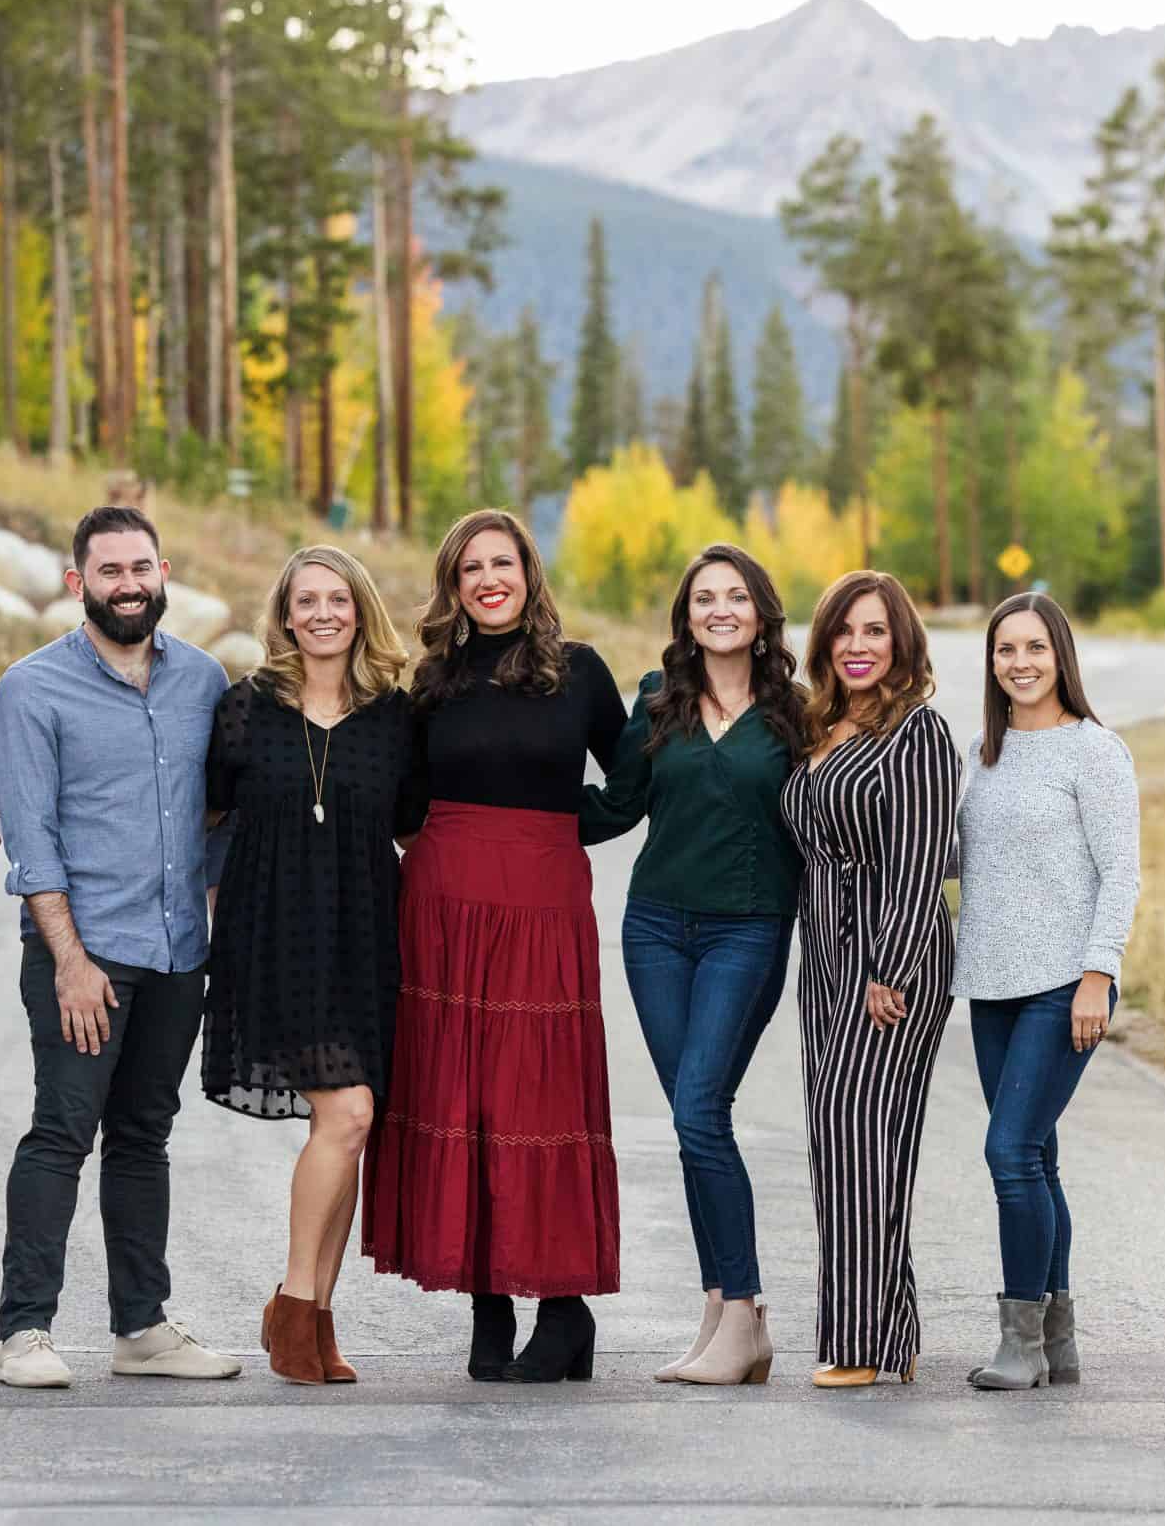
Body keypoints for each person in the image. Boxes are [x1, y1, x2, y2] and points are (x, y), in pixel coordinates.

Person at [363, 508, 627, 1385]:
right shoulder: (431, 681)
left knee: (540, 1098)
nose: (488, 580)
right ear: (453, 584)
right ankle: (488, 1305)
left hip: (544, 903)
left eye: (501, 563)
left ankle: (563, 1309)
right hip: (444, 908)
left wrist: (563, 827)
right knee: (465, 1096)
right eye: (470, 567)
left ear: (528, 573)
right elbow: (402, 799)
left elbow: (633, 778)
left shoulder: (579, 672)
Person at [0, 506, 243, 1388]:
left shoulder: (204, 679)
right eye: (110, 572)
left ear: (163, 573)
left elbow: (220, 816)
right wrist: (69, 960)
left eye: (141, 568)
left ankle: (141, 1328)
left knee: (143, 1136)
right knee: (61, 1132)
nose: (128, 585)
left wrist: (216, 929)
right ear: (78, 583)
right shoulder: (33, 688)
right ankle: (25, 1331)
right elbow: (31, 837)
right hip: (85, 954)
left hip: (177, 952)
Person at [581, 545, 806, 1386]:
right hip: (654, 931)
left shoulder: (795, 714)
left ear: (760, 614)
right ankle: (722, 1314)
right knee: (692, 1121)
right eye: (704, 597)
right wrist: (508, 805)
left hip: (746, 931)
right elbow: (615, 807)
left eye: (735, 596)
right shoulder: (658, 699)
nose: (720, 610)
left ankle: (743, 1312)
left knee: (701, 1113)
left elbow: (824, 825)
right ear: (686, 616)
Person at [205, 545, 424, 1385]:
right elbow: (203, 818)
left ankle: (317, 1319)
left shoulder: (396, 718)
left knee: (350, 1127)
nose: (323, 613)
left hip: (366, 939)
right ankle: (295, 1307)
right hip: (274, 937)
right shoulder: (245, 709)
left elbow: (413, 828)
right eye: (307, 601)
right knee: (348, 1111)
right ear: (286, 616)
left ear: (361, 610)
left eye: (338, 599)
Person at [776, 569, 958, 1389]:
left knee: (855, 1130)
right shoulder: (821, 727)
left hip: (892, 959)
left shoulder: (917, 733)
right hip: (824, 959)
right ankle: (896, 1333)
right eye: (845, 631)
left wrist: (893, 965)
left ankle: (856, 1342)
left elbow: (921, 860)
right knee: (848, 1140)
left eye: (876, 630)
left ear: (901, 642)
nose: (858, 646)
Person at [954, 591, 1138, 1390]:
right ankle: (1057, 1343)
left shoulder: (1094, 751)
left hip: (1064, 983)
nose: (1020, 663)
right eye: (1006, 650)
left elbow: (1121, 871)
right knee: (1036, 1156)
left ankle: (1020, 1341)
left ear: (1061, 655)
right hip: (990, 982)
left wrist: (1099, 974)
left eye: (1035, 647)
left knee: (1008, 1152)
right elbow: (962, 858)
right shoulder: (980, 753)